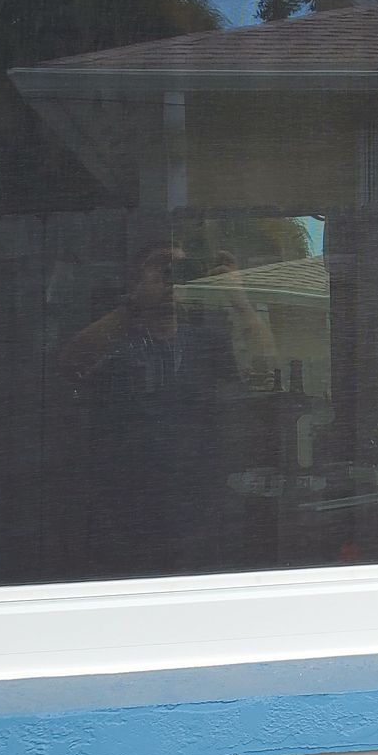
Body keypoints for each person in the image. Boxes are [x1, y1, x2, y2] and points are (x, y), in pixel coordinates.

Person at [57, 244, 277, 576]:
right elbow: (69, 363)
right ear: (135, 280)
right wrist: (135, 305)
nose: (172, 278)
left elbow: (267, 371)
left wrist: (238, 297)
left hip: (201, 505)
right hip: (124, 508)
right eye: (162, 267)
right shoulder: (116, 338)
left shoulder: (208, 343)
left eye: (182, 270)